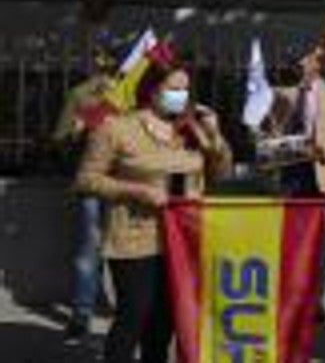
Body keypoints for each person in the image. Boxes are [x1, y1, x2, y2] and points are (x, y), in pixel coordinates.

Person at [75, 47, 232, 363]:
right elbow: (86, 180)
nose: (180, 95)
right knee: (134, 315)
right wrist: (137, 191)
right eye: (173, 88)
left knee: (164, 325)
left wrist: (214, 136)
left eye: (185, 89)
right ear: (151, 89)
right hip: (135, 238)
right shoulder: (116, 128)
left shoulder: (193, 128)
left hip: (183, 240)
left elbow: (221, 174)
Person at [263, 45, 325, 323]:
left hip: (321, 176)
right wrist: (272, 140)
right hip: (290, 174)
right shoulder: (284, 93)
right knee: (289, 243)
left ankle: (315, 300)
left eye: (304, 59)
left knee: (318, 246)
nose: (299, 64)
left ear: (316, 64)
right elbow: (271, 132)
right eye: (297, 60)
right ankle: (290, 298)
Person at [54, 42, 118, 343]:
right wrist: (75, 130)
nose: (102, 66)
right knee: (89, 250)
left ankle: (114, 305)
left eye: (106, 60)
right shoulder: (80, 94)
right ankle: (82, 313)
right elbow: (60, 138)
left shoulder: (133, 95)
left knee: (124, 246)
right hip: (92, 180)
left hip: (127, 182)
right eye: (98, 60)